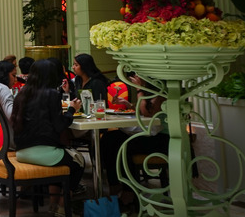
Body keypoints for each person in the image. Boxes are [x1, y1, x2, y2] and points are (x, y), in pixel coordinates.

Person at [10, 59, 85, 213]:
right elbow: (60, 125)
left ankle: (53, 204)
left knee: (62, 163)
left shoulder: (22, 94)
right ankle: (63, 207)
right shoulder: (51, 94)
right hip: (44, 153)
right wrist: (72, 109)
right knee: (78, 162)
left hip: (21, 152)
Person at [100, 73, 168, 209]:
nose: (135, 77)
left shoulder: (162, 94)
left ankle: (129, 192)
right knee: (109, 138)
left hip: (163, 138)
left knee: (124, 145)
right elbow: (143, 111)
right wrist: (128, 104)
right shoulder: (149, 92)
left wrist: (139, 89)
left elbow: (147, 112)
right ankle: (115, 183)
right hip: (149, 133)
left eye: (138, 75)